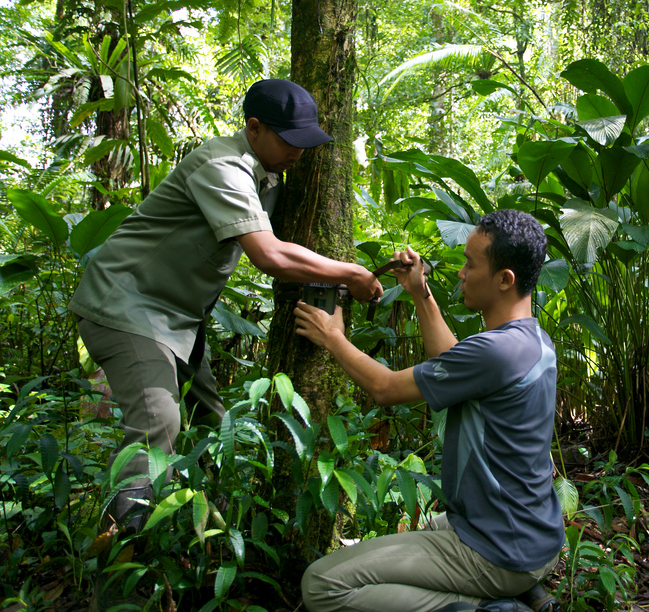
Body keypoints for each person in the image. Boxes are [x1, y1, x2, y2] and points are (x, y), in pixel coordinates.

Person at [70, 79, 384, 533]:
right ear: (253, 128)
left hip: (179, 321)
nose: (299, 152)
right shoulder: (222, 166)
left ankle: (204, 540)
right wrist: (351, 272)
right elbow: (270, 255)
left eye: (305, 141)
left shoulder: (269, 174)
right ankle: (121, 556)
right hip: (128, 307)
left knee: (219, 430)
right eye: (288, 140)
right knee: (159, 423)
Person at [295, 209, 563, 612]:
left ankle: (487, 608)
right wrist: (419, 292)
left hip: (495, 550)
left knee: (320, 584)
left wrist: (333, 337)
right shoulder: (532, 341)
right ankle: (525, 591)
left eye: (470, 265)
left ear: (505, 279)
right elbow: (454, 360)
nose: (461, 274)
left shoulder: (494, 352)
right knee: (427, 531)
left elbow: (384, 388)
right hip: (537, 538)